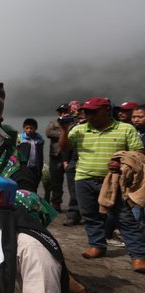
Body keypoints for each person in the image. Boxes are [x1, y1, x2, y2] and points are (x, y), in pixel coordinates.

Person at [58, 97, 145, 271]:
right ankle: (97, 245)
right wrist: (64, 129)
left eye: (93, 112)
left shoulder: (125, 128)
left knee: (124, 217)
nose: (88, 115)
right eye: (86, 112)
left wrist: (121, 163)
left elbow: (139, 153)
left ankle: (138, 255)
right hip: (83, 178)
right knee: (90, 215)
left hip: (113, 180)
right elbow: (65, 148)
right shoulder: (79, 129)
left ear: (106, 111)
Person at [45, 104, 70, 212]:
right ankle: (56, 204)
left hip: (69, 156)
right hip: (55, 156)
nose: (62, 113)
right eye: (60, 111)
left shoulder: (73, 122)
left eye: (65, 111)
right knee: (55, 182)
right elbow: (49, 133)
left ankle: (75, 206)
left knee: (72, 182)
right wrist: (64, 132)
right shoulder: (53, 122)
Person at [14, 118, 44, 193]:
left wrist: (40, 168)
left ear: (35, 128)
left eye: (31, 128)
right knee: (23, 186)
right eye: (27, 128)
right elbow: (15, 152)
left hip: (35, 168)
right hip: (24, 167)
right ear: (24, 128)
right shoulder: (20, 138)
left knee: (34, 186)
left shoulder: (39, 140)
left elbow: (40, 155)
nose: (29, 130)